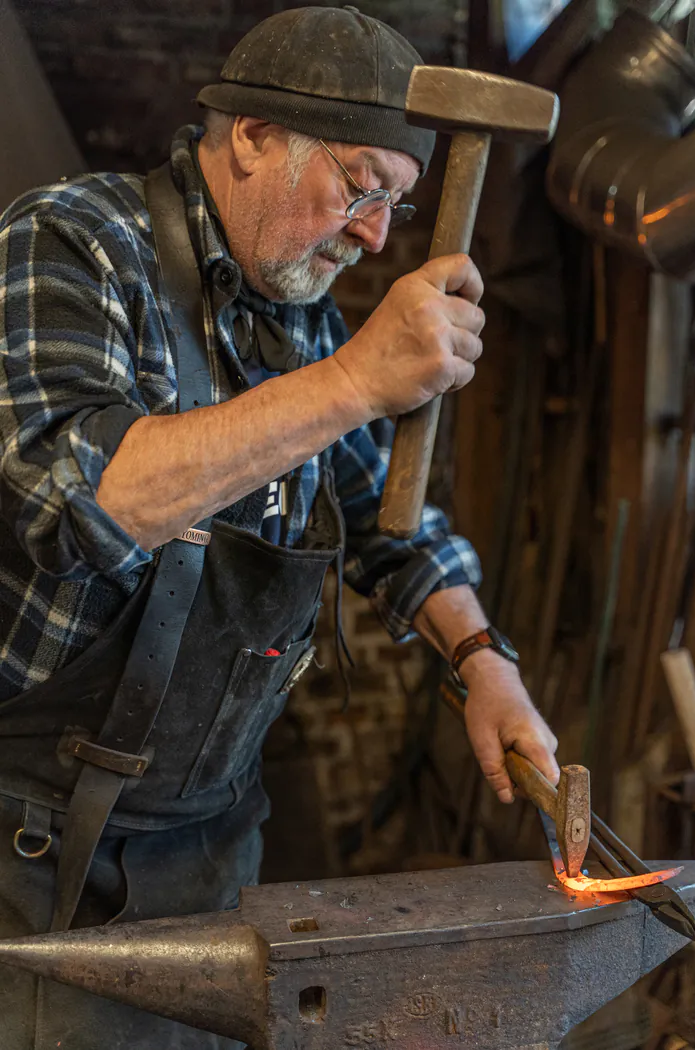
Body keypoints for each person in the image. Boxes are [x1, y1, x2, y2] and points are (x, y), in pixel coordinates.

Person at [0, 5, 559, 1047]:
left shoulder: (289, 309)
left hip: (215, 844)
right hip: (36, 846)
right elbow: (80, 502)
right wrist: (355, 379)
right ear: (253, 136)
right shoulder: (75, 241)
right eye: (360, 187)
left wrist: (484, 661)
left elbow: (382, 515)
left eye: (396, 204)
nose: (375, 236)